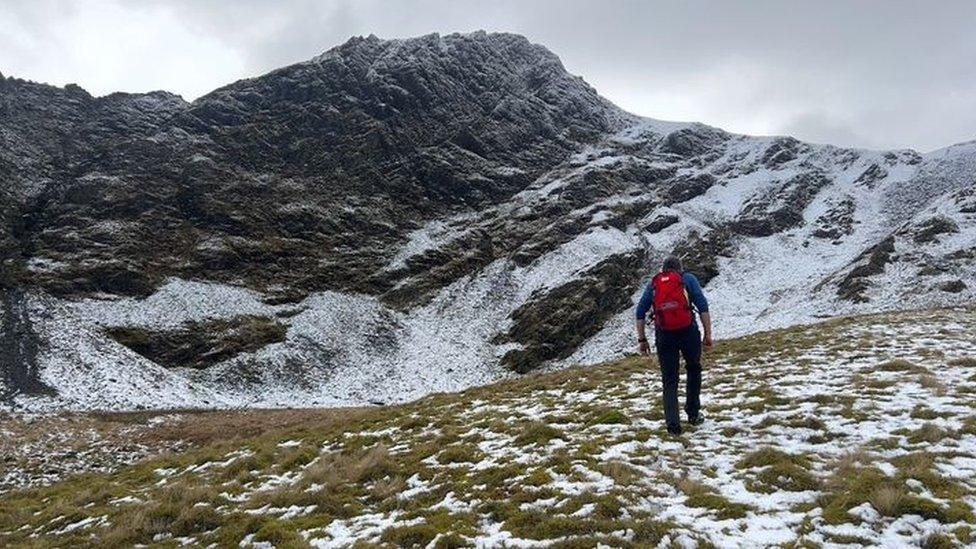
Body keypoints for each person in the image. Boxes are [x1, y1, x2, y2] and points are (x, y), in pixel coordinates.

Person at [635, 256, 712, 436]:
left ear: (664, 269)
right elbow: (702, 305)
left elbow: (640, 311)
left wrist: (642, 340)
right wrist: (708, 334)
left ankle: (673, 426)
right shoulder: (688, 279)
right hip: (688, 332)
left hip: (664, 336)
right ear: (680, 268)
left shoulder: (654, 284)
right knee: (694, 369)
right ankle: (693, 414)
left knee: (669, 380)